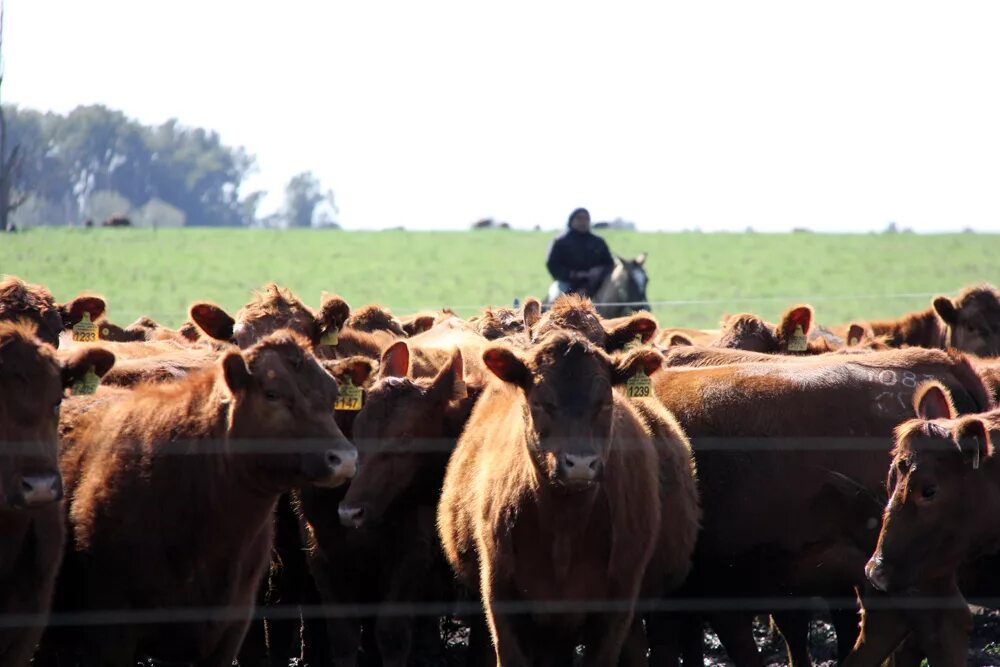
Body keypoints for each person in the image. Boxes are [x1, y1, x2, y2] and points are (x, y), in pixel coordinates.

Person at [545, 207, 615, 302]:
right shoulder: (560, 242)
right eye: (579, 218)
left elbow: (609, 263)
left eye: (586, 219)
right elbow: (552, 264)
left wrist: (599, 271)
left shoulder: (598, 242)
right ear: (571, 220)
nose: (583, 222)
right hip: (567, 283)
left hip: (595, 283)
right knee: (555, 300)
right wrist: (573, 274)